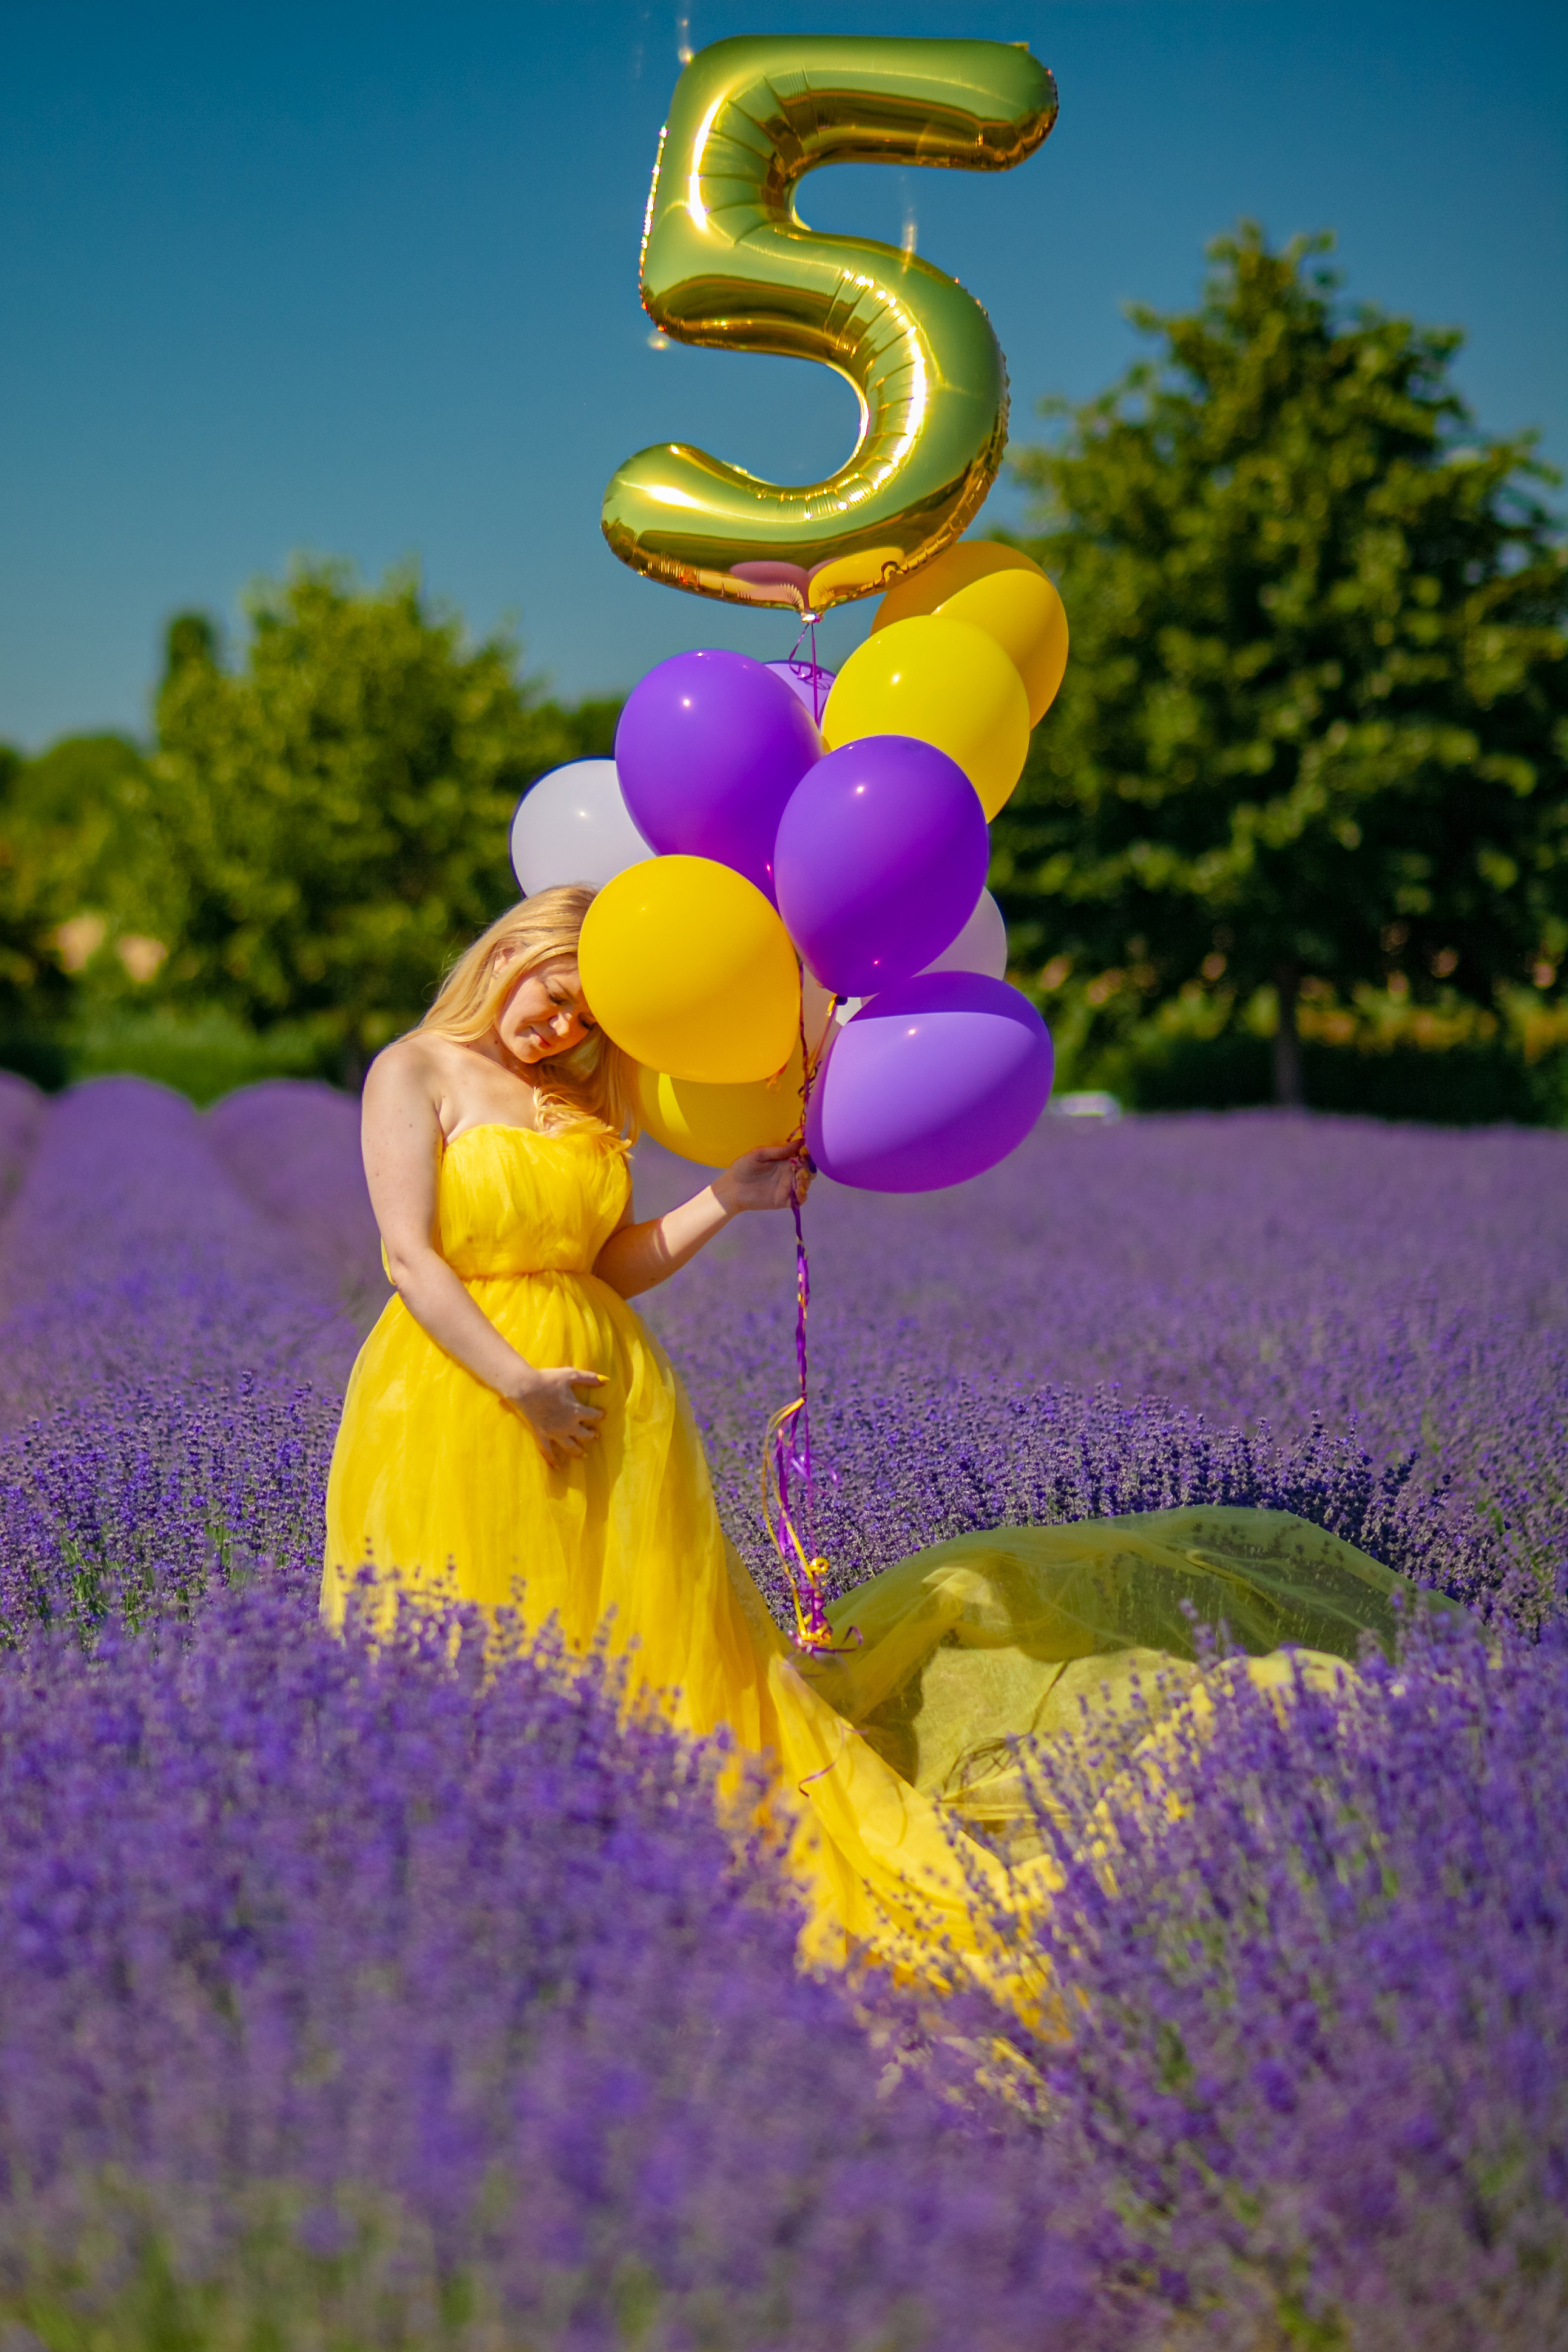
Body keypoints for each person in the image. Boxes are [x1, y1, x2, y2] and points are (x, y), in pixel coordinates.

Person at [323, 885, 1422, 1972]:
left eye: (582, 1019)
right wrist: (520, 1382)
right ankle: (467, 1893)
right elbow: (410, 1256)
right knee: (471, 1621)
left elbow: (608, 1263)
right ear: (511, 951)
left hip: (608, 1395)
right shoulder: (412, 1072)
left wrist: (726, 1198)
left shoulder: (578, 1097)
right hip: (463, 1397)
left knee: (635, 1637)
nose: (560, 1027)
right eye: (556, 997)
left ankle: (633, 1876)